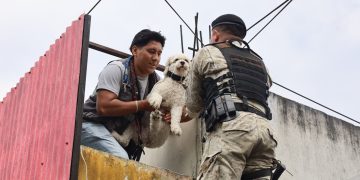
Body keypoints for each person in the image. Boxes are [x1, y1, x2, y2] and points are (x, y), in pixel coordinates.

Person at [186, 14, 278, 179]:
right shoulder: (260, 62)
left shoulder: (207, 51)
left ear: (215, 34)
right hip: (266, 134)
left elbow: (193, 104)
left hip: (232, 126)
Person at [81, 29, 168, 161]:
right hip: (91, 125)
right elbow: (104, 106)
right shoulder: (117, 69)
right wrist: (143, 105)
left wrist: (172, 114)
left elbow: (178, 107)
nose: (156, 58)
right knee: (120, 159)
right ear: (135, 50)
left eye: (159, 53)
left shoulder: (157, 82)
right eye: (151, 51)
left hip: (116, 137)